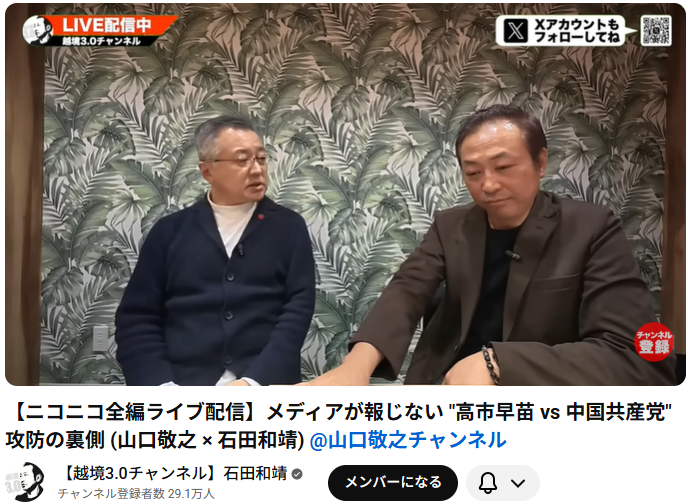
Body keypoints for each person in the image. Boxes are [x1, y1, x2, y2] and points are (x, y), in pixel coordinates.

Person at [301, 104, 676, 386]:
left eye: (503, 167)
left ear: (540, 162)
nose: (489, 185)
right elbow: (407, 290)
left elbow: (633, 353)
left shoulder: (591, 227)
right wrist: (355, 367)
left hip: (535, 399)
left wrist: (498, 363)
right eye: (473, 172)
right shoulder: (451, 226)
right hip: (447, 390)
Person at [115, 116, 316, 386]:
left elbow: (297, 312)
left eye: (261, 158)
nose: (257, 169)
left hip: (264, 386)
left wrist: (254, 383)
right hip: (182, 385)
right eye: (242, 160)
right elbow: (137, 317)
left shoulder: (289, 227)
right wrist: (161, 387)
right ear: (207, 171)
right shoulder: (169, 231)